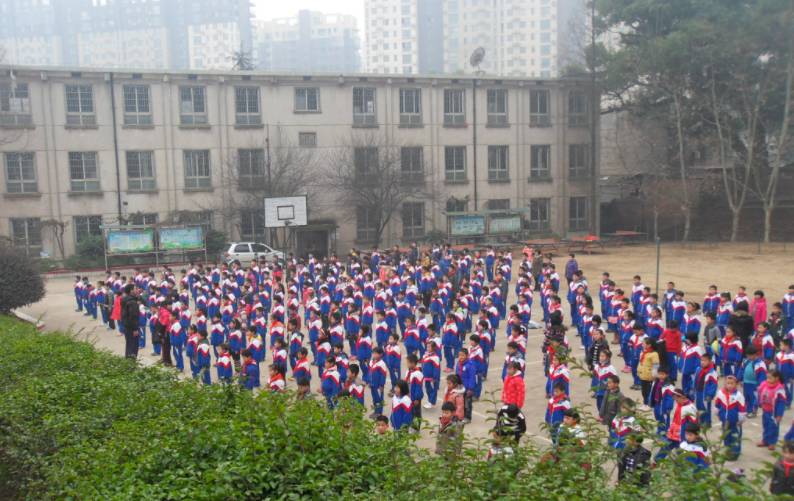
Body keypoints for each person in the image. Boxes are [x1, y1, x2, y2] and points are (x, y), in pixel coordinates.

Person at [715, 375, 746, 460]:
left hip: (734, 422)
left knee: (735, 436)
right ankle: (727, 451)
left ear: (736, 384)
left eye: (732, 383)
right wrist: (718, 413)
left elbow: (742, 408)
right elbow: (717, 404)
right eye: (728, 383)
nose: (729, 385)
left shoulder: (739, 396)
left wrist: (741, 418)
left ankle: (735, 452)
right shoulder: (720, 393)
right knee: (726, 436)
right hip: (724, 421)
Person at [757, 368, 786, 450]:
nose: (768, 380)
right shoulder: (764, 385)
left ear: (776, 378)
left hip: (774, 412)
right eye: (767, 377)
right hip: (765, 410)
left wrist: (779, 415)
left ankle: (772, 442)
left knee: (773, 427)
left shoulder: (779, 389)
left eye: (770, 378)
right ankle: (765, 440)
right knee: (766, 425)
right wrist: (758, 403)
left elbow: (781, 403)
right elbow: (759, 394)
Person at [693, 352, 718, 427]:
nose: (702, 362)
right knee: (699, 407)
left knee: (706, 408)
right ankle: (701, 421)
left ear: (710, 361)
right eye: (701, 360)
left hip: (706, 394)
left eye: (705, 360)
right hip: (698, 391)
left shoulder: (712, 372)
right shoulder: (698, 369)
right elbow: (695, 380)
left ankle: (707, 422)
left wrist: (710, 395)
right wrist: (693, 389)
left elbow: (713, 385)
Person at [455, 348, 477, 423]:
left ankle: (468, 417)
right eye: (459, 355)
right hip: (460, 387)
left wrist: (470, 389)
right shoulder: (458, 363)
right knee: (460, 402)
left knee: (467, 403)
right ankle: (461, 415)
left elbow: (472, 377)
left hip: (467, 388)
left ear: (467, 356)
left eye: (463, 355)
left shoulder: (470, 365)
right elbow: (457, 374)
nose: (460, 357)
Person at [637, 337, 660, 404]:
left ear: (649, 345)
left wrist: (654, 375)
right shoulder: (644, 352)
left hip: (649, 376)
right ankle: (645, 402)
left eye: (643, 343)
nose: (642, 344)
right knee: (643, 391)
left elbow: (656, 365)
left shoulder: (654, 354)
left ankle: (649, 403)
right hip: (643, 375)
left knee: (649, 391)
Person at [120, 284, 141, 359]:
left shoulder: (125, 299)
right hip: (132, 328)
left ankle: (128, 363)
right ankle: (131, 364)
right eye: (135, 288)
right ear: (131, 290)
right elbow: (133, 316)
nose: (137, 290)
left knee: (129, 345)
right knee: (133, 346)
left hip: (127, 326)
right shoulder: (132, 302)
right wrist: (135, 329)